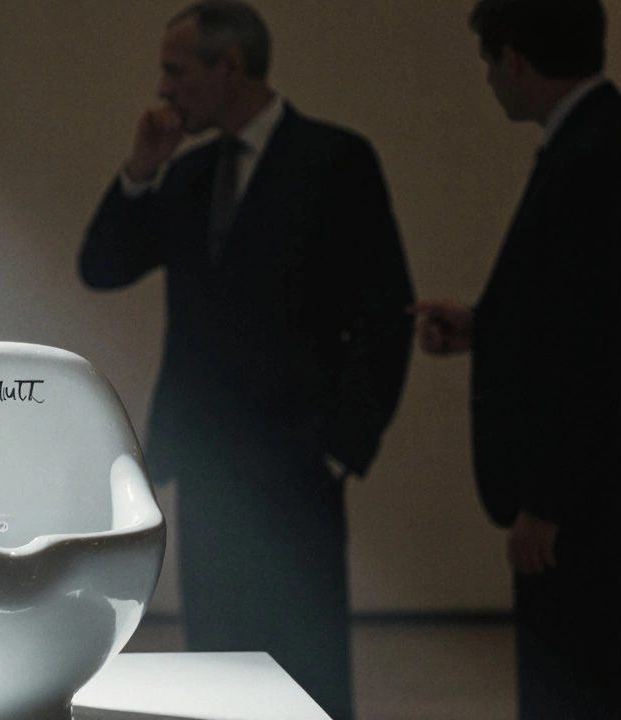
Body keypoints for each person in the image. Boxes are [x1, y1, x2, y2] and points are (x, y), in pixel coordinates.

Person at [79, 3, 414, 717]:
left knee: (307, 664)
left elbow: (387, 313)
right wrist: (141, 168)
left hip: (299, 464)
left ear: (226, 66)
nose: (164, 90)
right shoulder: (190, 171)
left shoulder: (334, 159)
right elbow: (101, 266)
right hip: (207, 466)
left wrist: (342, 449)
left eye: (176, 71)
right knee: (220, 667)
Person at [408, 1, 621, 717]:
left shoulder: (591, 158)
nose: (488, 80)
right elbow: (572, 310)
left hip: (584, 516)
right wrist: (485, 327)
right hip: (590, 503)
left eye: (488, 61)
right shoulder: (593, 141)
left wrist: (547, 503)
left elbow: (595, 354)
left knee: (573, 689)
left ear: (516, 60)